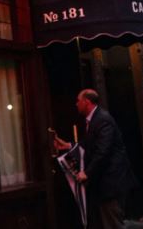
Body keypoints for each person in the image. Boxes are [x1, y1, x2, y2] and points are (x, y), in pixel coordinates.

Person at [54, 89, 137, 229]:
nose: (76, 104)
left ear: (86, 102)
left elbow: (103, 150)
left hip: (111, 183)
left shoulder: (102, 119)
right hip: (104, 184)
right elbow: (89, 144)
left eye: (78, 101)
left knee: (113, 223)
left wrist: (87, 173)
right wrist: (68, 145)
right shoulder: (94, 119)